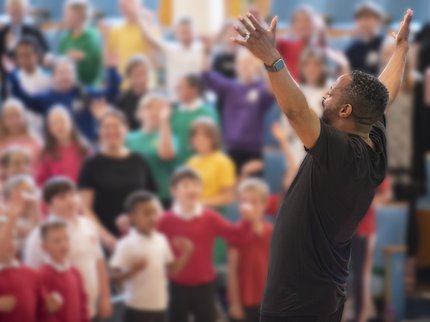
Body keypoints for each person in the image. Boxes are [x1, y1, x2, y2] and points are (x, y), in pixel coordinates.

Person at [231, 8, 411, 322]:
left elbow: (297, 112)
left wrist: (272, 59)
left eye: (332, 92)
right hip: (326, 294)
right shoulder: (372, 138)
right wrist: (401, 51)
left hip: (296, 301)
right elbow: (385, 94)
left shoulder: (339, 152)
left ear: (345, 111)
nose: (326, 94)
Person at [157, 167, 256, 322]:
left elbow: (237, 237)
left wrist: (247, 220)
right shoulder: (164, 220)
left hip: (204, 285)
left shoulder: (209, 217)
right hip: (175, 285)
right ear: (174, 190)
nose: (192, 189)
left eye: (196, 185)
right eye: (186, 185)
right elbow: (148, 243)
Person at [24, 177, 112, 320]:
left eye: (73, 194)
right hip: (62, 312)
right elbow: (32, 274)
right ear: (48, 205)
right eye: (62, 197)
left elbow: (99, 261)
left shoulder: (88, 225)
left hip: (89, 307)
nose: (70, 200)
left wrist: (105, 297)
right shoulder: (40, 234)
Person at [78, 110, 157, 248]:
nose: (111, 131)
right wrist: (107, 239)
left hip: (142, 237)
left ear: (126, 129)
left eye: (116, 126)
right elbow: (85, 208)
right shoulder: (91, 164)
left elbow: (152, 200)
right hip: (106, 240)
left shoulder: (139, 160)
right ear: (100, 131)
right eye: (106, 127)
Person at [110, 191, 193, 322]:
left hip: (160, 307)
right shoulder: (126, 244)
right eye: (146, 213)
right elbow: (113, 278)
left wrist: (187, 254)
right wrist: (132, 271)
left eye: (155, 212)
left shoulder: (161, 239)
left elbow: (172, 269)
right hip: (136, 308)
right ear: (132, 217)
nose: (152, 217)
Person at [8, 56, 120, 141]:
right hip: (56, 149)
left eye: (68, 72)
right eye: (61, 72)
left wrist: (112, 70)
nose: (65, 76)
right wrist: (13, 75)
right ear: (53, 76)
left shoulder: (85, 93)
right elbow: (24, 100)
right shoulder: (46, 98)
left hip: (86, 146)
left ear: (75, 75)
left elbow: (109, 96)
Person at [202, 49, 274, 172]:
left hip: (253, 150)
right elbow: (206, 75)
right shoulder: (230, 88)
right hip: (232, 148)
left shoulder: (261, 88)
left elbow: (273, 89)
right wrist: (206, 51)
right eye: (242, 63)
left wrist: (263, 66)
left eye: (250, 63)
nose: (246, 66)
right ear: (236, 66)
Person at [0, 200, 61, 322]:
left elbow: (41, 310)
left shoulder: (30, 274)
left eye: (14, 237)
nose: (11, 242)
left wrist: (50, 306)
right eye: (6, 237)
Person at [228, 178, 273, 322]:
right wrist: (235, 304)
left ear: (264, 204)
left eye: (253, 202)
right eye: (244, 202)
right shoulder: (236, 232)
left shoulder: (272, 232)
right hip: (244, 300)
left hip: (267, 300)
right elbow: (232, 271)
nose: (248, 206)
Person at [126, 93, 177, 207]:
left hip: (163, 197)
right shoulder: (128, 138)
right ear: (139, 112)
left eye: (159, 108)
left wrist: (164, 122)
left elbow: (165, 155)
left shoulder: (171, 138)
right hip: (135, 196)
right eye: (149, 107)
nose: (154, 112)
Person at [350, 179, 391, 322]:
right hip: (346, 230)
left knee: (361, 277)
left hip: (364, 231)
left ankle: (361, 317)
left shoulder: (374, 163)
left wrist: (364, 204)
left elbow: (386, 194)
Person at [138, 16, 205, 98]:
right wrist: (142, 21)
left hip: (197, 99)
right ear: (177, 34)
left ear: (195, 32)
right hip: (175, 98)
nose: (186, 35)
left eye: (188, 32)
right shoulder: (170, 48)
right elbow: (150, 40)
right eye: (183, 32)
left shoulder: (202, 49)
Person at [37, 220, 90, 322]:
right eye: (57, 241)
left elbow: (83, 301)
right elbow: (44, 308)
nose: (63, 244)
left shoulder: (74, 271)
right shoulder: (43, 274)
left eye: (66, 239)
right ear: (44, 247)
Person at [0, 0, 50, 98]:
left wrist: (47, 58)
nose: (16, 16)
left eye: (19, 12)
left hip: (33, 77)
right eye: (13, 12)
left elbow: (46, 53)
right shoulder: (3, 32)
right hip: (10, 79)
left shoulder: (35, 31)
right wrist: (9, 49)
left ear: (26, 12)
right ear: (7, 12)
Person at [187, 117, 236, 208]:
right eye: (195, 135)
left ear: (213, 138)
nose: (199, 139)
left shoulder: (223, 162)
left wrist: (200, 203)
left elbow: (228, 197)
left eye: (204, 135)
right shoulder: (191, 162)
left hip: (214, 213)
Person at [36, 105, 91, 186]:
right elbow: (40, 183)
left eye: (62, 121)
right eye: (54, 123)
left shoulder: (84, 149)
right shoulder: (45, 154)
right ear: (49, 129)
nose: (59, 126)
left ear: (70, 122)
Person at [171, 74, 219, 164]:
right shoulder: (174, 113)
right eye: (177, 88)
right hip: (176, 163)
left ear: (194, 90)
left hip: (202, 163)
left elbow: (214, 142)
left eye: (181, 87)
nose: (177, 91)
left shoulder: (207, 113)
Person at [59, 0, 103, 86]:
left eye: (66, 14)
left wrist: (82, 57)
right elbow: (61, 61)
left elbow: (96, 63)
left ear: (78, 16)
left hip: (89, 86)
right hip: (69, 86)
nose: (64, 18)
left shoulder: (92, 36)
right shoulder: (65, 38)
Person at [105, 0, 152, 74]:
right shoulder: (115, 31)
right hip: (122, 82)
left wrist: (145, 25)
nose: (127, 6)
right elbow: (108, 61)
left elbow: (155, 59)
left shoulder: (150, 29)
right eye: (123, 4)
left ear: (141, 5)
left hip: (145, 82)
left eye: (130, 2)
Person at [276, 5, 321, 81]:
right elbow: (268, 41)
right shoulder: (285, 45)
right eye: (298, 21)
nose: (303, 25)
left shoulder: (321, 50)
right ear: (293, 26)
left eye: (307, 20)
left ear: (314, 24)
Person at [345, 2, 386, 76]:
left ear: (378, 20)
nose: (363, 22)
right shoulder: (352, 48)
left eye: (367, 17)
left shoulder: (386, 44)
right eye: (359, 18)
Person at [2, 174, 40, 253]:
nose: (26, 196)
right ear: (8, 197)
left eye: (30, 192)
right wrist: (34, 207)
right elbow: (34, 235)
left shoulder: (34, 214)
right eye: (21, 193)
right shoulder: (5, 218)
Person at [0, 98, 41, 165]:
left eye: (17, 115)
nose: (14, 121)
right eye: (10, 117)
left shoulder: (35, 142)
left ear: (24, 117)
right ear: (3, 120)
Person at [116, 54, 151, 129]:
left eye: (144, 73)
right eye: (137, 74)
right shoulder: (122, 100)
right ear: (129, 76)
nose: (141, 78)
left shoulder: (155, 98)